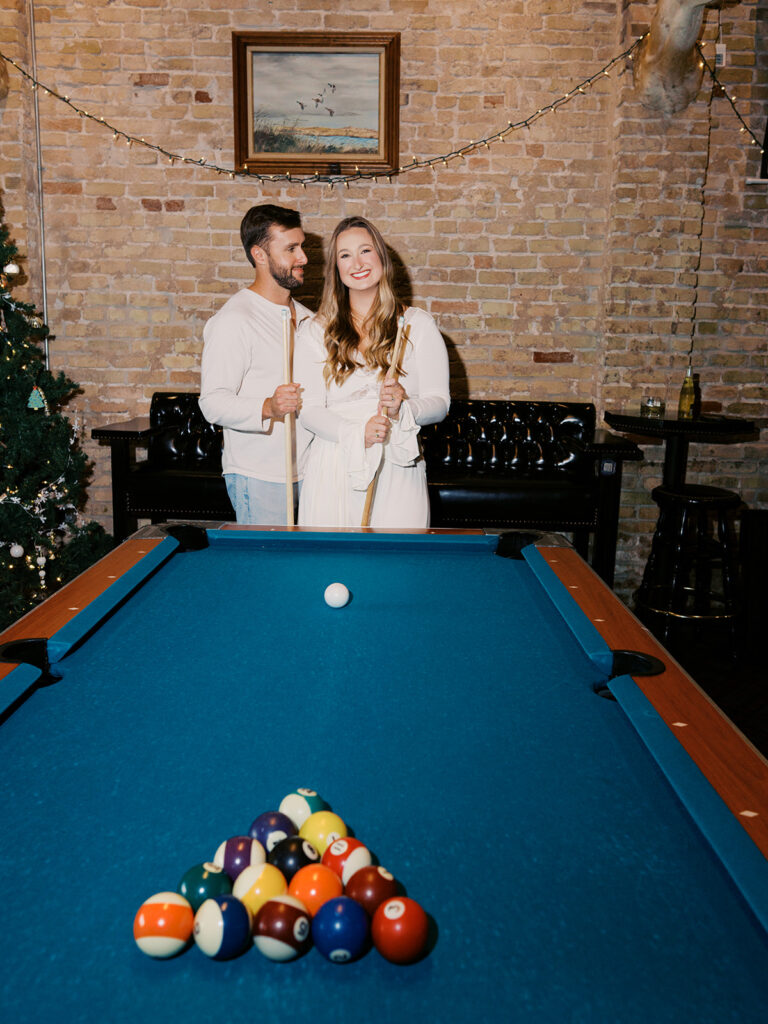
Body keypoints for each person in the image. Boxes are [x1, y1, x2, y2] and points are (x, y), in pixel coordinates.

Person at [296, 216, 450, 528]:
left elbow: (440, 403)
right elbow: (309, 410)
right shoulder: (313, 331)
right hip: (333, 463)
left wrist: (403, 408)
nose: (357, 263)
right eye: (345, 255)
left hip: (397, 458)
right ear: (336, 269)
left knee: (398, 568)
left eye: (365, 250)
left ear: (381, 257)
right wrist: (356, 434)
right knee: (330, 568)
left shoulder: (417, 325)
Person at [199, 204, 313, 525]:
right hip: (260, 477)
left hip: (311, 472)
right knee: (270, 573)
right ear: (260, 255)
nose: (303, 257)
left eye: (301, 246)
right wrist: (268, 406)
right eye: (291, 248)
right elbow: (213, 403)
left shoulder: (310, 319)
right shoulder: (234, 320)